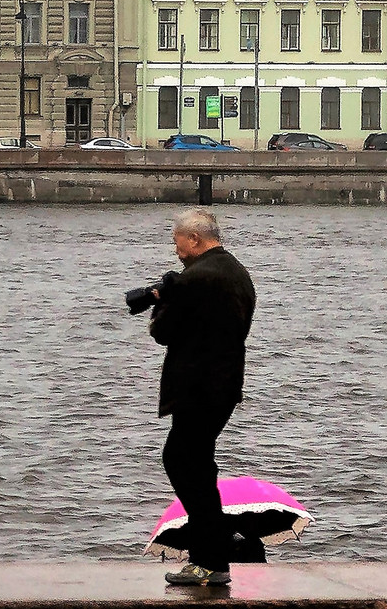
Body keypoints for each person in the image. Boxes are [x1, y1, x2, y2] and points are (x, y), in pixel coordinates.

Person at [147, 207, 256, 587]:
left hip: (197, 388)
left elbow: (162, 331)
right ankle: (215, 544)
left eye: (176, 239)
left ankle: (211, 554)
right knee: (197, 465)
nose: (174, 248)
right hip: (224, 386)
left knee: (180, 461)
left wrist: (161, 302)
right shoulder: (235, 271)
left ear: (194, 238)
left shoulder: (196, 278)